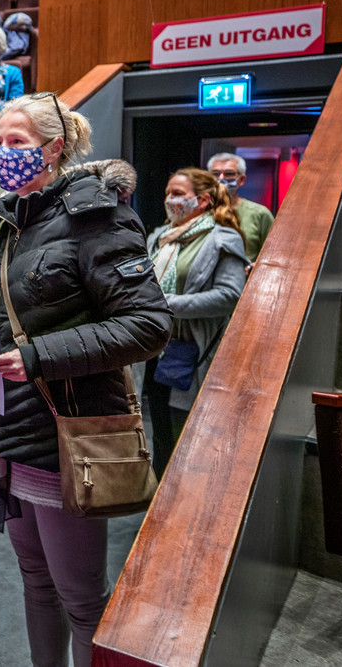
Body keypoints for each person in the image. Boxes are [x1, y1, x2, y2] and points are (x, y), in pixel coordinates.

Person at [0, 93, 171, 667]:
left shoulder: (98, 216)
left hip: (67, 438)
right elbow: (20, 313)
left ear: (54, 149)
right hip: (13, 432)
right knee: (36, 582)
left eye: (15, 143)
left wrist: (38, 355)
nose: (2, 154)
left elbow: (148, 325)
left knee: (81, 598)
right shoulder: (13, 224)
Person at [142, 168, 247, 476]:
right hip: (153, 352)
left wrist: (167, 305)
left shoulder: (222, 238)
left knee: (188, 441)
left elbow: (229, 296)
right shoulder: (159, 238)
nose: (169, 200)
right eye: (168, 193)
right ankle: (158, 509)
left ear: (202, 200)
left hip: (190, 351)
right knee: (159, 434)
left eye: (177, 194)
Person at [207, 152, 273, 261]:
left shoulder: (259, 214)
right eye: (215, 173)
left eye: (229, 173)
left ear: (241, 179)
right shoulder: (199, 211)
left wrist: (254, 267)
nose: (221, 178)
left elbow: (273, 255)